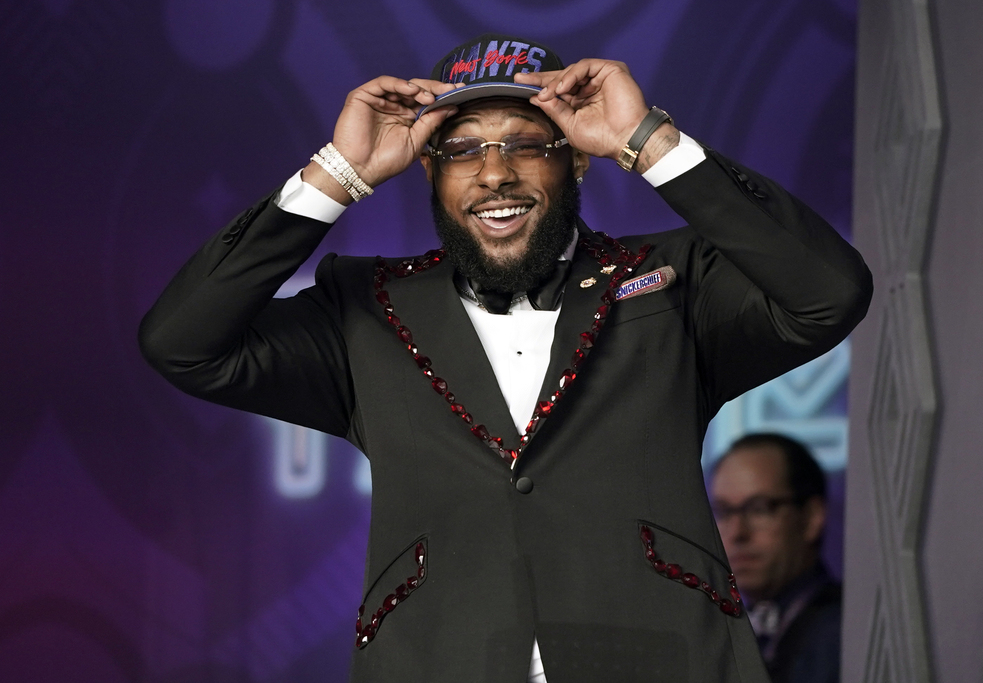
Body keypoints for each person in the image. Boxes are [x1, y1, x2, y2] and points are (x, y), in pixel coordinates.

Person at [139, 32, 871, 683]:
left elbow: (829, 291)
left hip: (664, 656)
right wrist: (340, 171)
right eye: (461, 149)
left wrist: (645, 138)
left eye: (527, 143)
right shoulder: (360, 310)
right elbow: (182, 341)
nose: (495, 173)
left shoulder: (673, 283)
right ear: (429, 172)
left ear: (578, 164)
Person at [710, 433, 842, 683]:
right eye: (724, 512)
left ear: (812, 517)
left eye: (760, 508)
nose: (737, 532)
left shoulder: (845, 635)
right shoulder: (716, 635)